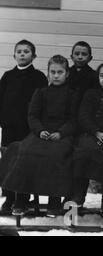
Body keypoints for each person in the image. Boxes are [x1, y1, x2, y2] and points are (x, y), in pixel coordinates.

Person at [0, 55, 77, 217]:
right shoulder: (41, 93)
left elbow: (73, 119)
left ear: (67, 74)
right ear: (48, 73)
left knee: (56, 155)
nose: (56, 75)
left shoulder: (72, 94)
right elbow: (32, 116)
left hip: (62, 135)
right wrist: (40, 130)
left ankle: (53, 202)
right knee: (24, 151)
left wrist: (61, 133)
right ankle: (20, 200)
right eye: (53, 72)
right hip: (40, 133)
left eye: (60, 72)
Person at [0, 40, 48, 213]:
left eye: (26, 51)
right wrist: (3, 121)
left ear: (33, 56)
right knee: (8, 161)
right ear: (14, 55)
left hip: (28, 128)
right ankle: (9, 198)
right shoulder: (7, 76)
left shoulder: (39, 77)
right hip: (9, 128)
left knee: (23, 162)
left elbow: (43, 103)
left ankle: (22, 199)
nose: (22, 54)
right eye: (19, 51)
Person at [71, 62, 103, 215]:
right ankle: (77, 200)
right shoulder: (90, 94)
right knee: (82, 155)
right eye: (102, 75)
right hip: (91, 134)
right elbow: (83, 116)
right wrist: (96, 132)